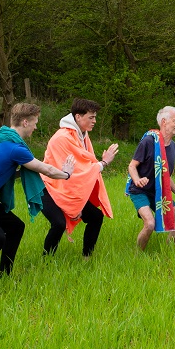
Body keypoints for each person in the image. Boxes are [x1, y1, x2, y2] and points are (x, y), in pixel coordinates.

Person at [0, 103, 75, 276]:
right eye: (35, 122)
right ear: (24, 122)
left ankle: (5, 274)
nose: (36, 126)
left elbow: (0, 169)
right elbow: (47, 170)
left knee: (16, 227)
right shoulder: (15, 148)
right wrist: (66, 174)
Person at [40, 98, 119, 258]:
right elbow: (75, 173)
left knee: (95, 217)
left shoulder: (82, 135)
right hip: (48, 187)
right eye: (91, 117)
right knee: (58, 224)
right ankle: (46, 260)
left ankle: (87, 257)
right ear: (78, 117)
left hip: (66, 187)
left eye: (95, 117)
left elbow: (84, 166)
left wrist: (98, 164)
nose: (95, 121)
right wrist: (103, 163)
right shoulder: (62, 138)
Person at [126, 106, 175, 250]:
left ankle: (166, 251)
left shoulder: (173, 146)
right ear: (164, 122)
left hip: (160, 192)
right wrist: (137, 180)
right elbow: (132, 166)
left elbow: (165, 176)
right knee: (149, 224)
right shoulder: (148, 142)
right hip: (140, 191)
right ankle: (138, 256)